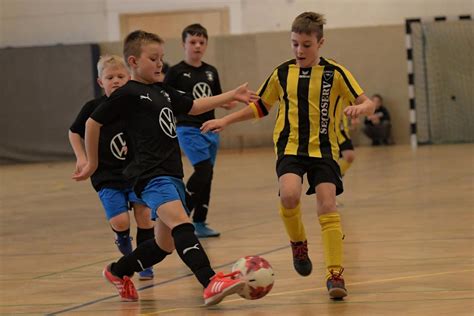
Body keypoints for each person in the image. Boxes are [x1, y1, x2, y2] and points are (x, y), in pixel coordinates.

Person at [73, 30, 258, 305]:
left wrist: (231, 94)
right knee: (183, 225)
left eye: (162, 58)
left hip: (171, 174)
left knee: (164, 245)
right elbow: (91, 123)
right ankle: (210, 282)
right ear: (134, 61)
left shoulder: (161, 91)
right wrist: (92, 163)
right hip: (150, 175)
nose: (160, 63)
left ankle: (117, 271)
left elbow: (194, 106)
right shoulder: (128, 93)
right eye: (153, 58)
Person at [201, 12, 375, 299]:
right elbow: (261, 106)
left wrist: (361, 109)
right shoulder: (282, 72)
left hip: (324, 151)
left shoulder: (336, 73)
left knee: (327, 204)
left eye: (306, 45)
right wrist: (226, 121)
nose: (299, 50)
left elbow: (366, 101)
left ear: (321, 43)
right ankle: (298, 244)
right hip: (290, 147)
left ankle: (335, 274)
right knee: (290, 195)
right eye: (295, 44)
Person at [68, 55, 155, 280]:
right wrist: (82, 158)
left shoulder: (135, 106)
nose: (115, 81)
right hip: (106, 174)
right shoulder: (93, 108)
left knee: (144, 216)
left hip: (136, 172)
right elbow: (74, 132)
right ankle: (124, 241)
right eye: (109, 77)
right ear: (100, 82)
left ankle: (143, 261)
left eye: (120, 76)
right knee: (120, 221)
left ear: (129, 78)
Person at [165, 24, 236, 238]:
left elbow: (217, 96)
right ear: (183, 44)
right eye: (192, 42)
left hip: (211, 128)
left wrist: (228, 103)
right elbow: (166, 98)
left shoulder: (210, 71)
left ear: (205, 45)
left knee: (208, 175)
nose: (197, 46)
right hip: (188, 128)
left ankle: (199, 222)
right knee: (203, 170)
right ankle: (181, 213)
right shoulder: (176, 72)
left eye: (201, 42)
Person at [336, 100, 356, 178]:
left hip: (341, 131)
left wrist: (354, 117)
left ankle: (337, 175)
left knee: (349, 156)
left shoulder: (343, 91)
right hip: (327, 130)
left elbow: (351, 102)